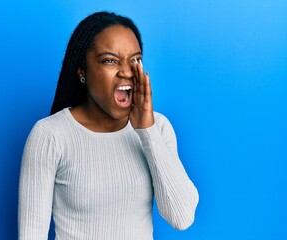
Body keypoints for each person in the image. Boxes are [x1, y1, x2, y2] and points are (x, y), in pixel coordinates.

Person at [18, 11, 199, 240]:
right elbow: (31, 234)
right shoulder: (50, 135)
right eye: (110, 60)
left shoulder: (159, 127)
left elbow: (182, 217)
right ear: (82, 70)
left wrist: (147, 130)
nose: (126, 71)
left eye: (135, 60)